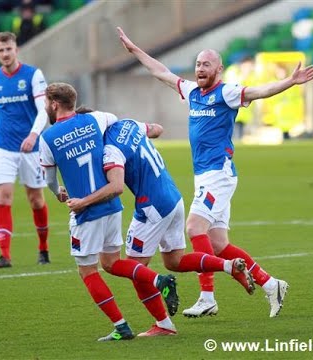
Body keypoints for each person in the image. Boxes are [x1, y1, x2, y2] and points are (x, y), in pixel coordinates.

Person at [117, 26, 313, 318]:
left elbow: (261, 91)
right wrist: (134, 49)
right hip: (205, 175)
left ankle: (207, 296)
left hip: (218, 174)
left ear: (218, 69)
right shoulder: (192, 92)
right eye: (198, 64)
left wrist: (290, 81)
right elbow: (160, 72)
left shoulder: (228, 92)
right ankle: (271, 284)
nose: (200, 68)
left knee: (194, 228)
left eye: (206, 64)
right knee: (219, 244)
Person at [67, 118, 254, 335]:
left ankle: (164, 324)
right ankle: (228, 266)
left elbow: (116, 186)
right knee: (174, 261)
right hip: (173, 197)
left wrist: (82, 201)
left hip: (151, 206)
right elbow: (157, 129)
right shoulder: (128, 124)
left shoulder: (110, 150)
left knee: (136, 269)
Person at [39, 82, 179, 341]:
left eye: (46, 103)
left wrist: (58, 191)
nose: (45, 107)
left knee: (88, 271)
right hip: (112, 206)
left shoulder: (47, 138)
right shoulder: (96, 118)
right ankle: (158, 281)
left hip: (87, 210)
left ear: (54, 104)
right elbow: (116, 125)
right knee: (111, 263)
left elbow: (47, 179)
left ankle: (122, 326)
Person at [0, 31, 51, 268]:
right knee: (3, 196)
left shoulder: (33, 75)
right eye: (0, 50)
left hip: (31, 147)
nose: (5, 54)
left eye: (9, 49)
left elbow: (43, 110)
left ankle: (43, 248)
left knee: (36, 200)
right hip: (3, 147)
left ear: (16, 49)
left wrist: (33, 135)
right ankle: (5, 255)